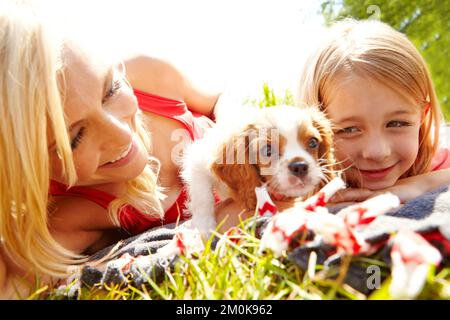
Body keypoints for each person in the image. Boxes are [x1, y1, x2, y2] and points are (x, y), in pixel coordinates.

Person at [0, 2, 242, 299]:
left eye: (110, 91)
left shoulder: (148, 76)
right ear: (32, 167)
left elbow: (220, 98)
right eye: (75, 138)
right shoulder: (71, 214)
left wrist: (235, 130)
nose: (122, 134)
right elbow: (16, 282)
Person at [297, 19, 450, 204]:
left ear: (422, 118)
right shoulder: (292, 181)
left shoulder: (440, 158)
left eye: (397, 123)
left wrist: (421, 185)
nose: (377, 152)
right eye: (349, 129)